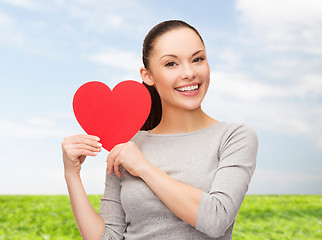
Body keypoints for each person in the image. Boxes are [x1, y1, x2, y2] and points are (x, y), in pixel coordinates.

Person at [62, 20, 258, 240]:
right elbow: (108, 237)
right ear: (148, 76)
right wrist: (72, 174)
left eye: (197, 59)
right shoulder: (128, 145)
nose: (189, 73)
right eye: (171, 64)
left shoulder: (234, 137)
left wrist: (144, 168)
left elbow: (216, 220)